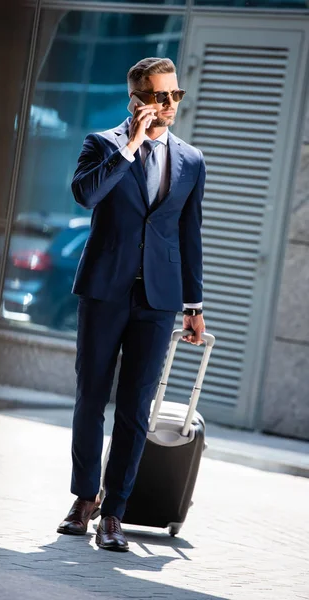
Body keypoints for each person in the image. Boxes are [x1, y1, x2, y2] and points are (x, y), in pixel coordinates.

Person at [57, 57, 206, 552]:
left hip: (159, 300)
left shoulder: (191, 161)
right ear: (136, 100)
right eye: (159, 96)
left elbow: (189, 235)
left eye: (174, 96)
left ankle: (115, 513)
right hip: (104, 291)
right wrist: (132, 145)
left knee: (136, 409)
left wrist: (193, 304)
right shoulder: (101, 145)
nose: (168, 105)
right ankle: (84, 499)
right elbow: (86, 195)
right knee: (91, 399)